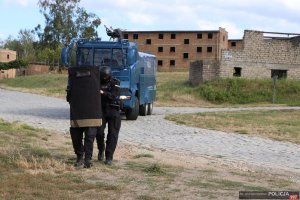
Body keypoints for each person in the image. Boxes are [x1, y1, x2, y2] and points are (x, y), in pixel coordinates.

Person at [67, 66, 102, 168]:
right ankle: (87, 159)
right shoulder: (95, 78)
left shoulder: (74, 80)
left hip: (78, 113)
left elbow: (68, 98)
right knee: (89, 138)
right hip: (92, 113)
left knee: (77, 137)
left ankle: (81, 157)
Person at [96, 66, 121, 165]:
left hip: (113, 110)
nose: (104, 79)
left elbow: (114, 96)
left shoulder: (115, 83)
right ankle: (101, 150)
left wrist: (103, 93)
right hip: (101, 110)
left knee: (113, 135)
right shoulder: (96, 82)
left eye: (105, 77)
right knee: (99, 132)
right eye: (102, 77)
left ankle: (109, 157)